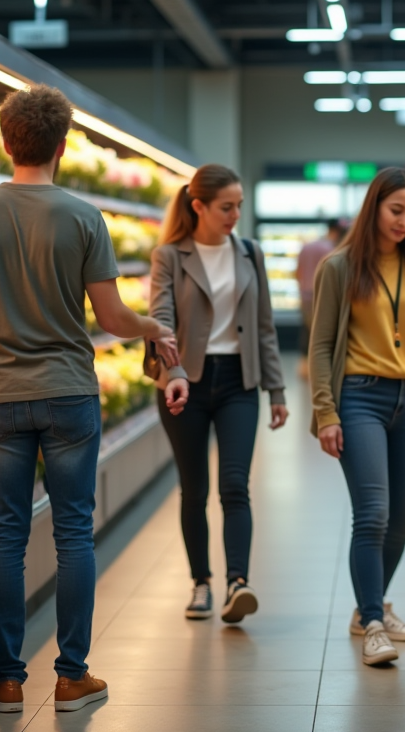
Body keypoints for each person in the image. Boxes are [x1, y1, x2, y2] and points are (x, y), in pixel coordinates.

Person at [0, 84, 179, 715]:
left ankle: (7, 680)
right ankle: (73, 676)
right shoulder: (83, 216)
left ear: (5, 138)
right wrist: (154, 327)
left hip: (1, 392)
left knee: (7, 536)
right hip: (70, 392)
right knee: (74, 533)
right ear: (64, 143)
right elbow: (110, 316)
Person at [309, 167, 405, 667]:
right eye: (396, 211)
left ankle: (370, 606)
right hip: (359, 399)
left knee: (402, 522)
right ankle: (372, 621)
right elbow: (323, 345)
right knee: (372, 514)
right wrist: (326, 412)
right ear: (374, 208)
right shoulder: (340, 267)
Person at [150, 164, 288, 624]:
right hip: (184, 382)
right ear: (198, 206)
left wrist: (277, 390)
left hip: (238, 382)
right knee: (194, 488)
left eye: (238, 207)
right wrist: (173, 371)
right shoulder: (170, 255)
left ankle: (237, 583)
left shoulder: (249, 253)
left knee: (235, 485)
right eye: (226, 207)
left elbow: (264, 327)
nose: (234, 215)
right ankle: (201, 583)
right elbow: (160, 319)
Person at [296, 220, 345, 377]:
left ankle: (304, 367)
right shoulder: (331, 249)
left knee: (308, 329)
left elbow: (298, 272)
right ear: (336, 232)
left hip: (306, 295)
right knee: (324, 333)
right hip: (323, 295)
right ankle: (320, 370)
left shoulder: (307, 247)